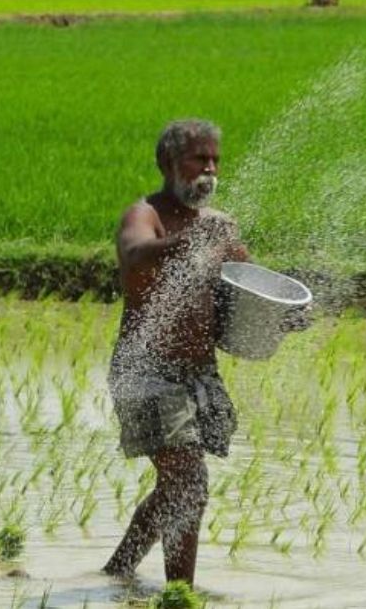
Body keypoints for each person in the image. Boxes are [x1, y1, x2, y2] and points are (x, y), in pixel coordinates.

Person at [102, 119, 250, 586]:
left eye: (215, 160)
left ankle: (120, 570)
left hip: (199, 374)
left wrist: (287, 314)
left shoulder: (221, 226)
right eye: (198, 159)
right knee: (188, 482)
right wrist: (184, 244)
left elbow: (249, 289)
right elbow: (135, 254)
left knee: (176, 484)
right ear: (168, 163)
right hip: (146, 369)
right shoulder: (145, 215)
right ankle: (179, 596)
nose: (209, 168)